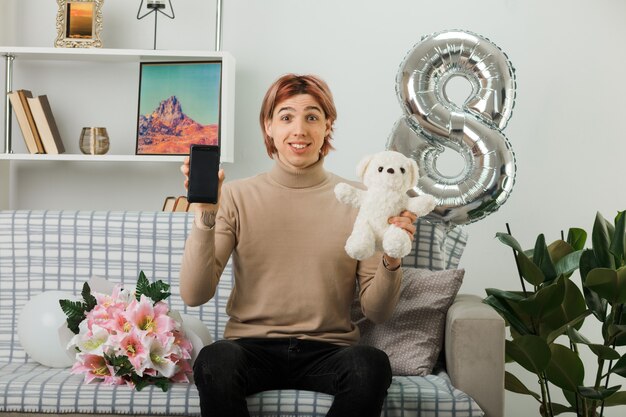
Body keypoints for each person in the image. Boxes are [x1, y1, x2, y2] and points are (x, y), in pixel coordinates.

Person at [179, 74, 418, 417]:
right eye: (286, 117)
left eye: (312, 117)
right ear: (269, 127)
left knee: (371, 364)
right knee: (215, 360)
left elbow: (377, 311)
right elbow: (194, 294)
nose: (299, 130)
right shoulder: (234, 196)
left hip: (329, 352)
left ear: (327, 126)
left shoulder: (361, 199)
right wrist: (204, 216)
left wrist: (393, 257)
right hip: (251, 348)